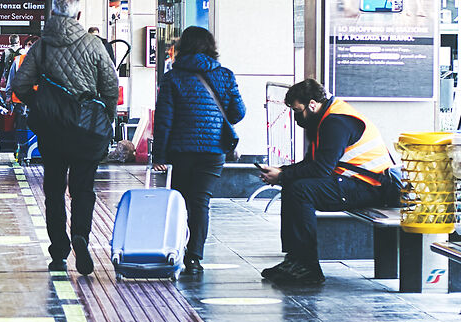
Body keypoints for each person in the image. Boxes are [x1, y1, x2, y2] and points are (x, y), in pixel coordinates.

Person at [258, 78, 403, 289]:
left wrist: (281, 177)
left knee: (300, 191)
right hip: (355, 182)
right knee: (293, 186)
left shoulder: (336, 122)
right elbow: (312, 163)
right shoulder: (324, 119)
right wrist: (282, 173)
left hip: (370, 186)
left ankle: (308, 267)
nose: (297, 117)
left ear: (312, 104)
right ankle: (294, 260)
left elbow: (320, 169)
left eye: (298, 110)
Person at [11, 0, 118, 274]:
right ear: (79, 15)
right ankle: (81, 235)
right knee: (84, 188)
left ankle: (59, 251)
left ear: (53, 15)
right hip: (87, 129)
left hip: (53, 130)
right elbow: (110, 86)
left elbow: (20, 85)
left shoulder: (41, 47)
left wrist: (41, 104)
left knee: (54, 190)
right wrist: (106, 118)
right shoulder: (94, 45)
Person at [152, 25, 245, 279]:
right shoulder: (224, 75)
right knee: (201, 202)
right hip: (213, 151)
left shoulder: (173, 77)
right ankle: (195, 257)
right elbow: (238, 113)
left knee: (181, 201)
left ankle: (176, 249)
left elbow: (164, 120)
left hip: (181, 151)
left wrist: (158, 156)